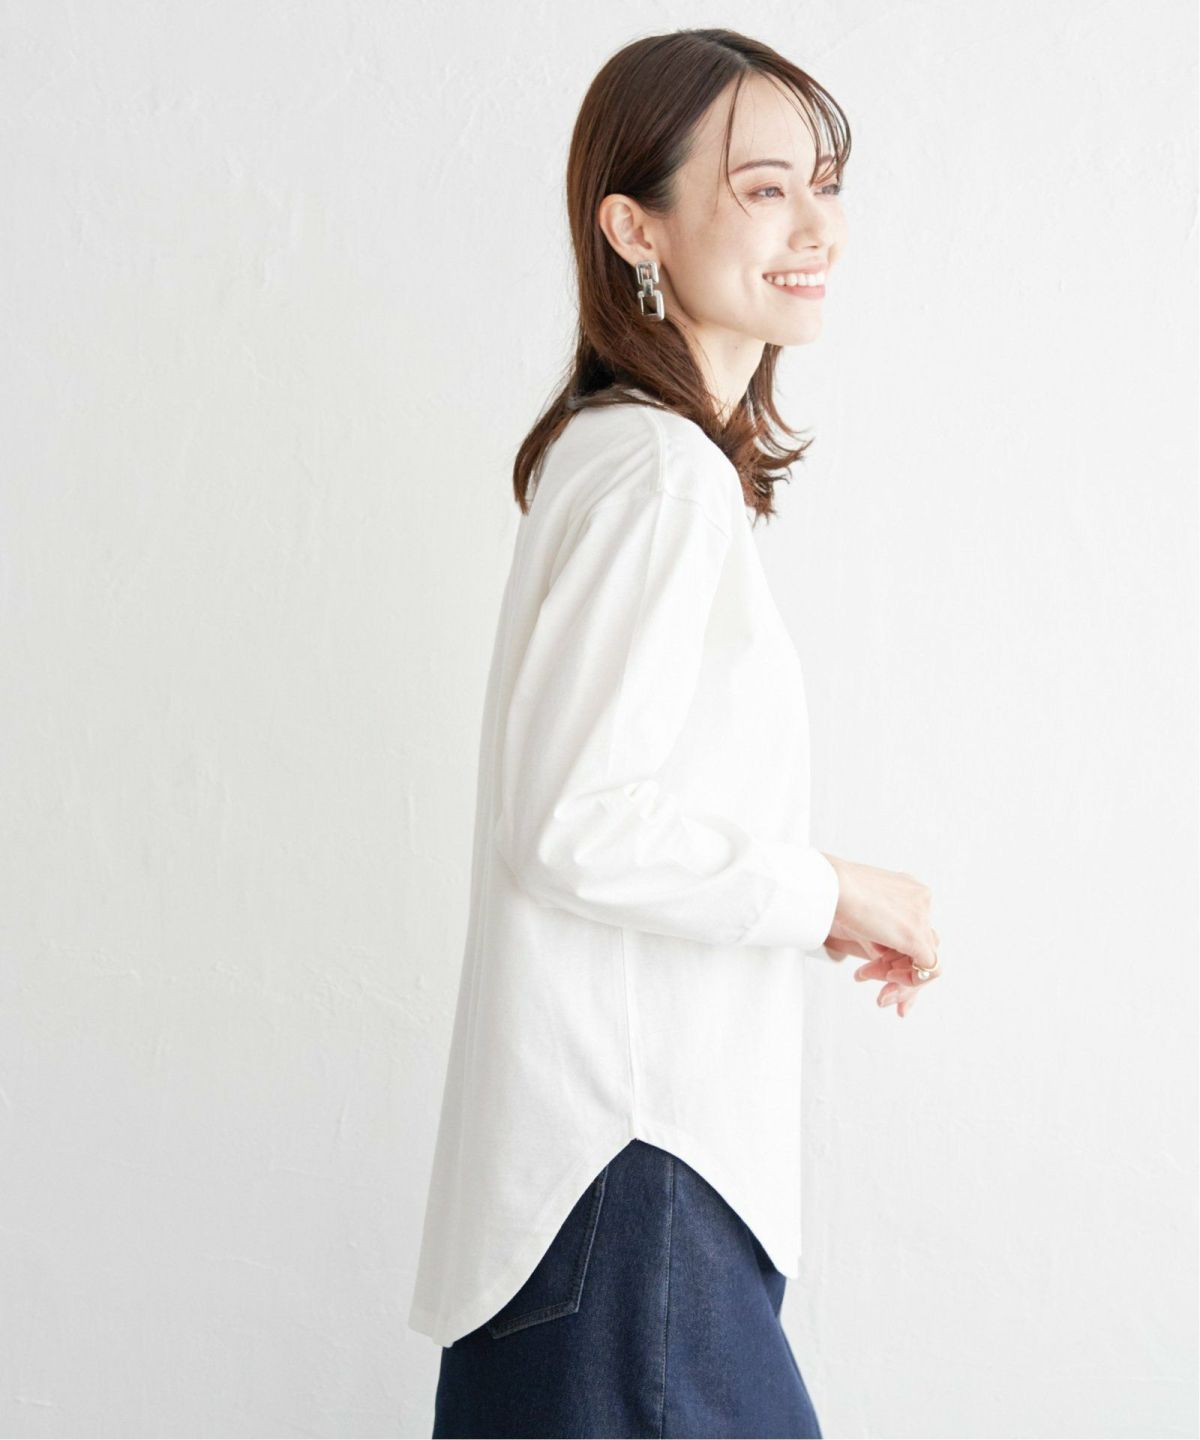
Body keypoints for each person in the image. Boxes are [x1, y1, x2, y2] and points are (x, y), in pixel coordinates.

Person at [409, 26, 942, 1439]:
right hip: (634, 1180)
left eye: (824, 184)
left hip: (610, 1194)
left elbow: (591, 813)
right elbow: (572, 824)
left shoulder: (627, 458)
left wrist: (803, 902)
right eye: (765, 188)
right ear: (632, 226)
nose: (817, 227)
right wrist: (830, 889)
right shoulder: (658, 475)